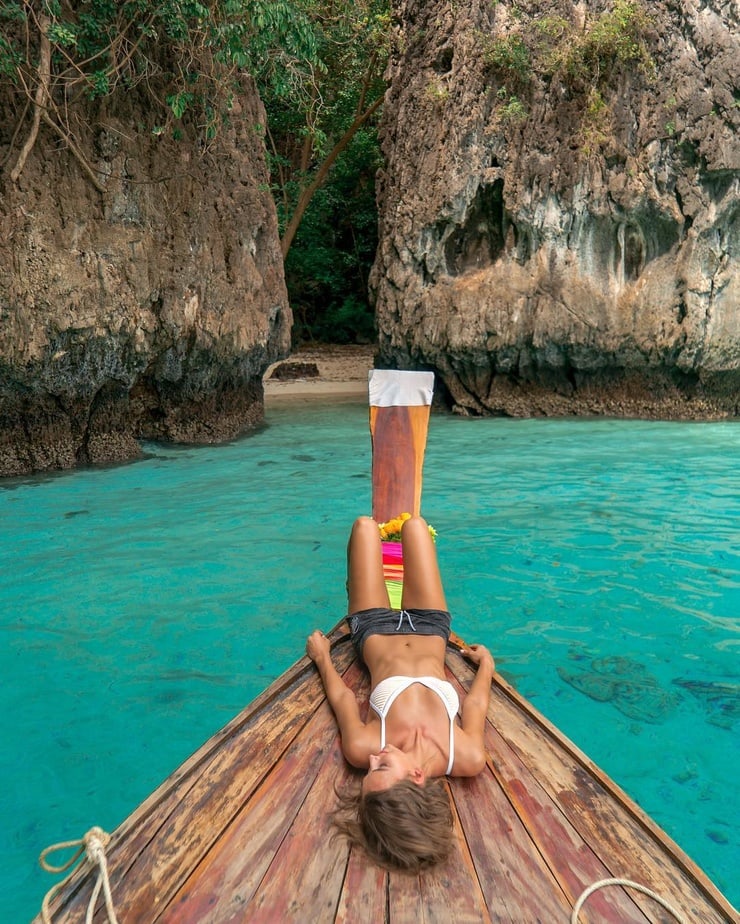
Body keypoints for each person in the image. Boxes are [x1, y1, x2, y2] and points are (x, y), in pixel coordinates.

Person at [306, 514, 495, 871]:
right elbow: (476, 704)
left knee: (363, 526)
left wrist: (323, 659)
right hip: (430, 626)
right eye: (383, 766)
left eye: (368, 772)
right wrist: (487, 665)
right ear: (417, 777)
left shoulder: (364, 747)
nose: (373, 760)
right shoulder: (465, 756)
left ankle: (358, 586)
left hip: (373, 626)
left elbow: (344, 699)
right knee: (415, 528)